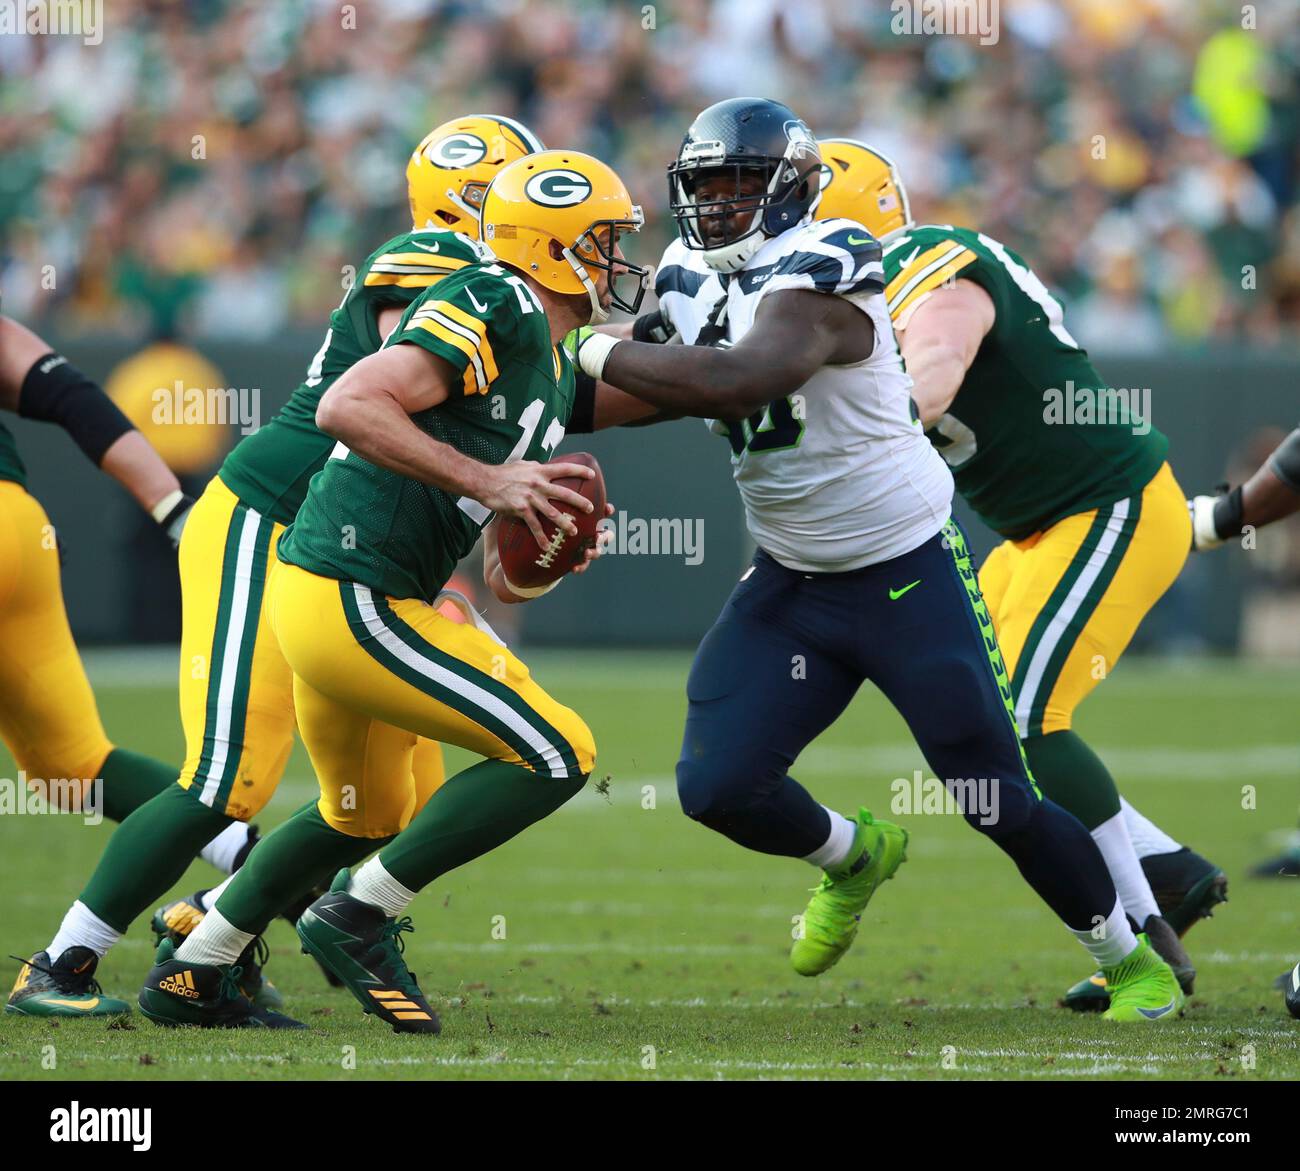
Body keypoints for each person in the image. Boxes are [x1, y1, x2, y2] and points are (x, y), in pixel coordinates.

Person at [571, 97, 1183, 1021]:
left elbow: (745, 377)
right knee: (717, 784)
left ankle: (1131, 961)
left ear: (791, 188)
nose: (721, 204)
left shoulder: (836, 255)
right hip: (790, 578)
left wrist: (583, 351)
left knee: (994, 796)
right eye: (705, 185)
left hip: (904, 569)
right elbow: (658, 383)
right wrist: (521, 414)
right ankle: (852, 854)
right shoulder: (688, 270)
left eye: (741, 183)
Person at [9, 114, 545, 1019]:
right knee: (226, 778)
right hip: (272, 517)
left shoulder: (507, 303)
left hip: (340, 554)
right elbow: (392, 382)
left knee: (390, 802)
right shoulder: (431, 267)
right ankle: (61, 964)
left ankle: (211, 926)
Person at [137, 149, 645, 1032]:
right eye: (602, 242)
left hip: (346, 592)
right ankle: (358, 912)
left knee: (363, 811)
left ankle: (195, 966)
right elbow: (349, 404)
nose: (616, 261)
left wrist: (525, 557)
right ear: (554, 246)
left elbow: (481, 536)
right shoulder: (500, 298)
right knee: (560, 751)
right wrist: (492, 485)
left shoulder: (551, 362)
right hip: (351, 593)